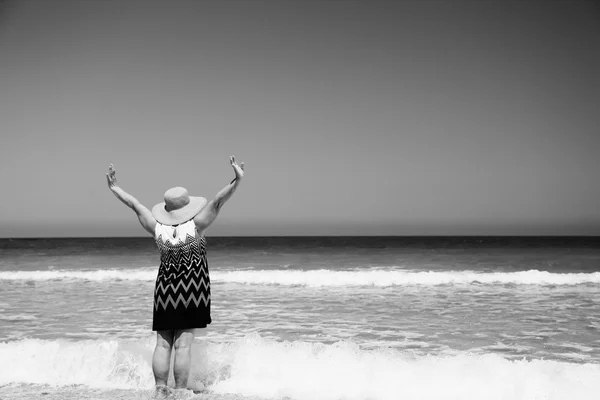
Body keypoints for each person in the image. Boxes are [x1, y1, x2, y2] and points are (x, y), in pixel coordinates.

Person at [106, 156, 244, 395]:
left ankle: (160, 389)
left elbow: (135, 205)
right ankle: (180, 391)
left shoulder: (156, 227)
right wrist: (236, 181)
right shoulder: (197, 225)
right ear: (188, 206)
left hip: (164, 290)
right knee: (183, 344)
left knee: (162, 343)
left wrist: (115, 187)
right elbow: (218, 201)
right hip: (193, 289)